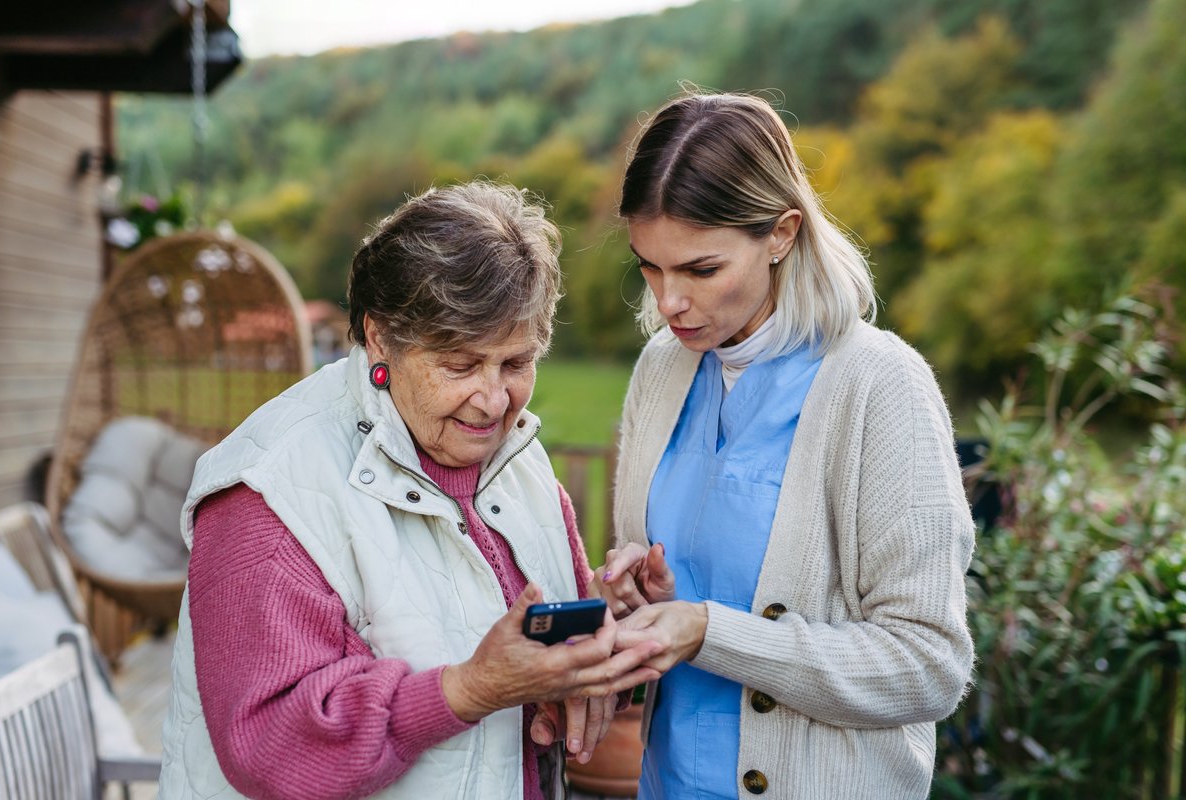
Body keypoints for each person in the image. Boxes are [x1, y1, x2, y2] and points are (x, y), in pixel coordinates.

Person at [157, 181, 661, 800]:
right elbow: (271, 744)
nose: (494, 400)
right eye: (460, 365)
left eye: (516, 363)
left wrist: (603, 623)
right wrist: (470, 690)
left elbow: (534, 648)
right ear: (380, 337)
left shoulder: (520, 464)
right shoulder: (267, 491)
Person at [595, 92, 975, 799]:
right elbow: (669, 597)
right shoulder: (661, 370)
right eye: (649, 265)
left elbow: (929, 665)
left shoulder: (878, 384)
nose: (669, 300)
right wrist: (639, 596)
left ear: (782, 233)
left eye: (700, 270)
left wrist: (711, 632)